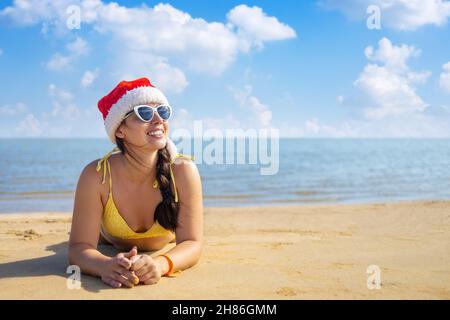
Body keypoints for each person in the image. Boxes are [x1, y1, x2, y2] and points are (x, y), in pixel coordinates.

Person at [68, 77, 203, 288]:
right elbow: (78, 248)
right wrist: (104, 265)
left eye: (163, 111)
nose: (158, 119)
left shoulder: (183, 171)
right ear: (120, 130)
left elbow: (192, 243)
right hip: (108, 240)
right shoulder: (97, 176)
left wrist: (160, 264)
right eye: (145, 113)